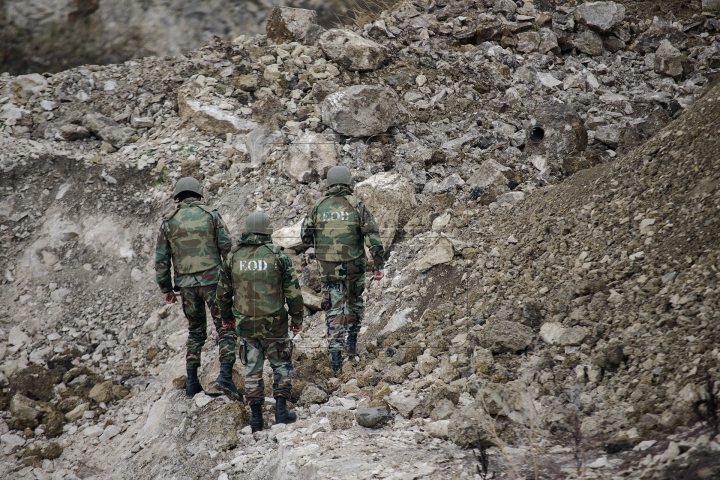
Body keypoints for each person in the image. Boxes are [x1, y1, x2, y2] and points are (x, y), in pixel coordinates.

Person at [216, 212, 304, 432]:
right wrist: (297, 319)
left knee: (252, 370)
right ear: (267, 231)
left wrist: (227, 318)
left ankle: (256, 420)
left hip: (246, 325)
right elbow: (293, 292)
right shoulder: (278, 255)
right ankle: (281, 413)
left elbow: (222, 294)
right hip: (275, 323)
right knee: (282, 365)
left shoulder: (232, 257)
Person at [155, 177, 240, 399]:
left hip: (186, 287)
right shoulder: (211, 215)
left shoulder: (168, 222)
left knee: (196, 332)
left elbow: (162, 259)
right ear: (198, 194)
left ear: (178, 197)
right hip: (214, 282)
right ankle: (225, 376)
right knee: (225, 328)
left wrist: (166, 288)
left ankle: (192, 383)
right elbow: (227, 249)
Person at [300, 166, 385, 373]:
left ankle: (336, 357)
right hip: (354, 265)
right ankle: (352, 343)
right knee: (354, 302)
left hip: (327, 268)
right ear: (348, 183)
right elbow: (372, 235)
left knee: (333, 307)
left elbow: (304, 237)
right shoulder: (356, 205)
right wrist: (379, 264)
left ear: (328, 183)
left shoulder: (318, 206)